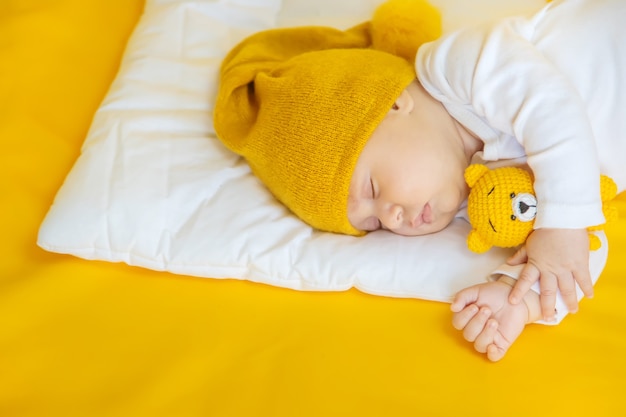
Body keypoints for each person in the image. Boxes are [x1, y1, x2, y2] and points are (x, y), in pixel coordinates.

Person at [214, 0, 626, 361]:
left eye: (372, 190)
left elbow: (549, 107)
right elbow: (579, 245)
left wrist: (560, 223)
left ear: (394, 104)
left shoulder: (457, 67)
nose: (392, 219)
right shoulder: (477, 204)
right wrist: (519, 296)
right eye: (373, 224)